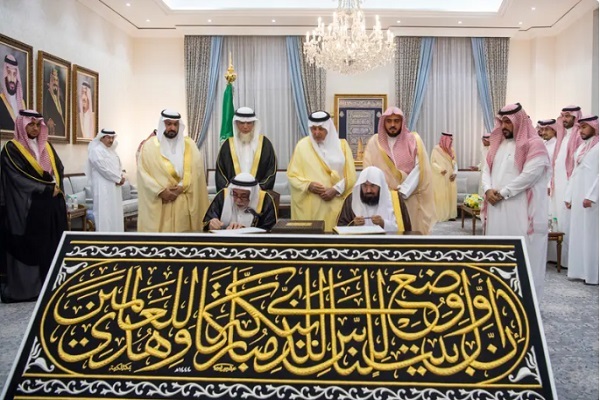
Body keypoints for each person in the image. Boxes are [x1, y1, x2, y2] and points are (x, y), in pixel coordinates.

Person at [482, 103, 550, 299]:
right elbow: (486, 170)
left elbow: (531, 174)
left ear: (518, 121)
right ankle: (498, 298)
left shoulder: (534, 144)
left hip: (520, 211)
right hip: (496, 210)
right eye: (502, 121)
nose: (504, 126)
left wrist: (503, 193)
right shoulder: (498, 144)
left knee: (523, 254)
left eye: (508, 122)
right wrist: (487, 189)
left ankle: (527, 302)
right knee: (497, 252)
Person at [0, 110, 67, 303]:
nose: (35, 128)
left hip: (49, 206)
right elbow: (17, 178)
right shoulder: (11, 149)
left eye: (38, 125)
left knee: (51, 245)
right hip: (26, 207)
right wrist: (45, 188)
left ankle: (50, 285)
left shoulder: (47, 146)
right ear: (22, 125)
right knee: (30, 247)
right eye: (31, 124)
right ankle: (29, 290)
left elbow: (58, 169)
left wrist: (55, 187)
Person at [362, 106, 435, 234]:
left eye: (396, 121)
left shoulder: (413, 140)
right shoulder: (374, 142)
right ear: (383, 122)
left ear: (402, 122)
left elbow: (420, 168)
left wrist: (403, 191)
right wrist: (383, 192)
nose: (392, 125)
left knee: (410, 233)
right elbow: (368, 170)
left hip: (408, 198)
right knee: (384, 235)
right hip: (382, 198)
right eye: (389, 121)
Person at [137, 109, 209, 232]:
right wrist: (160, 191)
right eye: (168, 124)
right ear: (162, 124)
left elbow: (197, 171)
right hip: (161, 203)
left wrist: (182, 186)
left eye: (175, 124)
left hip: (182, 201)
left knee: (183, 239)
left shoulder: (190, 145)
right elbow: (143, 173)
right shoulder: (149, 147)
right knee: (162, 241)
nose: (172, 128)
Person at [287, 111, 356, 232]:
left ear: (328, 128)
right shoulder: (302, 146)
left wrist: (336, 189)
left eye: (321, 129)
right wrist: (308, 185)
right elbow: (292, 176)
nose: (316, 133)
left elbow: (351, 176)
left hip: (336, 204)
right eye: (313, 128)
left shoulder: (343, 146)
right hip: (311, 207)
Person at [564, 115, 598, 285]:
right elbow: (575, 174)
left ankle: (592, 274)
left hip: (592, 200)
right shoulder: (582, 148)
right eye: (580, 127)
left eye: (584, 127)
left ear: (594, 127)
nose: (581, 131)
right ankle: (579, 271)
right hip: (578, 197)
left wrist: (591, 196)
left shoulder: (598, 147)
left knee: (591, 236)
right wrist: (569, 196)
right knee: (578, 233)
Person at [548, 106, 583, 268]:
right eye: (563, 116)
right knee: (556, 218)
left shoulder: (579, 137)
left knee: (567, 220)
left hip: (570, 185)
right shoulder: (562, 137)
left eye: (568, 116)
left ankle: (568, 261)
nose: (565, 119)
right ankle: (557, 257)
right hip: (557, 184)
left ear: (575, 117)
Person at [216, 107, 277, 191]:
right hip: (233, 194)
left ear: (254, 124)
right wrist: (230, 189)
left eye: (249, 123)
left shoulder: (265, 144)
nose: (245, 127)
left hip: (258, 192)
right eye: (241, 123)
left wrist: (259, 187)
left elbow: (271, 170)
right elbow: (220, 171)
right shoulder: (227, 145)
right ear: (236, 123)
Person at [337, 166, 411, 233]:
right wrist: (354, 225)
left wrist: (384, 224)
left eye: (373, 186)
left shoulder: (395, 199)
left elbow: (405, 229)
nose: (368, 190)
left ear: (380, 186)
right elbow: (340, 228)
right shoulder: (351, 199)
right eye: (364, 186)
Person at [204, 173, 277, 231]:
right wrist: (211, 224)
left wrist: (245, 230)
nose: (238, 200)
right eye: (235, 194)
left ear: (252, 195)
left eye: (244, 196)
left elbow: (269, 229)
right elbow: (208, 220)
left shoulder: (264, 200)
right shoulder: (223, 196)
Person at [87, 129, 125, 232]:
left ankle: (116, 237)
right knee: (104, 213)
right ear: (102, 137)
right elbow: (102, 168)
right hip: (103, 187)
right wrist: (118, 178)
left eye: (112, 138)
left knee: (115, 212)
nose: (111, 140)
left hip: (115, 187)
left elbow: (118, 166)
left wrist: (121, 176)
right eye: (108, 137)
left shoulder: (112, 151)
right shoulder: (96, 151)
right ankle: (104, 237)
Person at [430, 132, 457, 222]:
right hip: (440, 176)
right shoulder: (436, 149)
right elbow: (432, 162)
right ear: (445, 139)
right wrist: (440, 169)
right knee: (440, 195)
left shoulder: (451, 150)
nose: (451, 142)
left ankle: (451, 215)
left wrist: (455, 173)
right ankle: (439, 215)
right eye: (450, 140)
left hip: (450, 177)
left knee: (450, 195)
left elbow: (455, 163)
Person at [0, 54, 26, 131]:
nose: (12, 79)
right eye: (9, 73)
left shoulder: (22, 103)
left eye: (14, 74)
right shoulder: (1, 101)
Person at [42, 66, 66, 138]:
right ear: (49, 82)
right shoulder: (46, 95)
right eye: (53, 80)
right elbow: (44, 110)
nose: (55, 82)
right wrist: (48, 119)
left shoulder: (60, 99)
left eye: (56, 80)